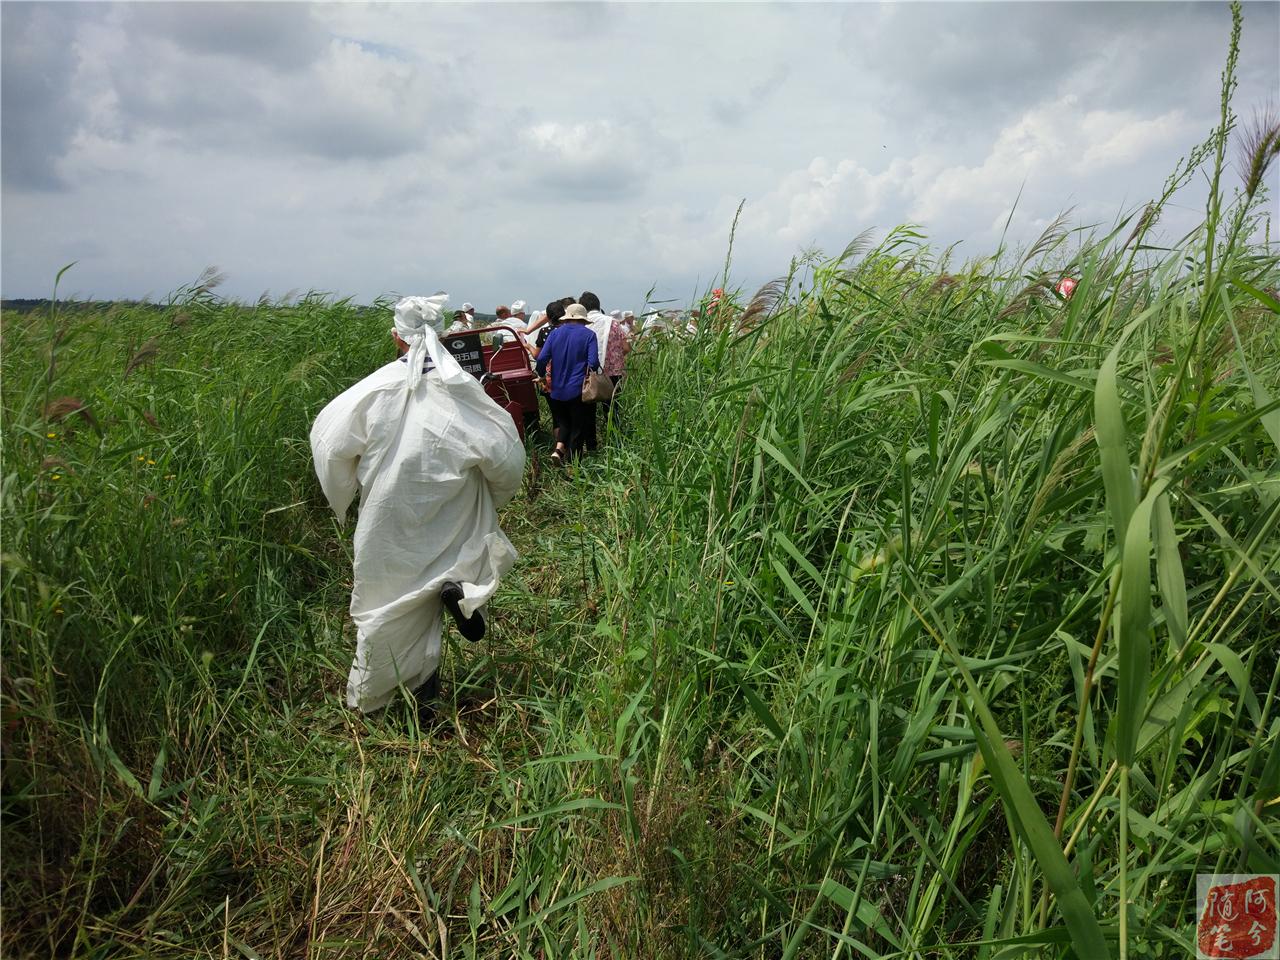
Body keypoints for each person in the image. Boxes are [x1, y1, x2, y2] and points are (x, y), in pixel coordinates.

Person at [310, 294, 526, 715]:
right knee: (466, 543)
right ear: (442, 335)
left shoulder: (372, 390)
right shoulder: (462, 390)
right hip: (452, 507)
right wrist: (495, 494)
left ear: (396, 337)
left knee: (386, 600)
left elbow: (329, 443)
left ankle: (388, 700)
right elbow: (506, 457)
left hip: (388, 514)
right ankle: (461, 586)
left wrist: (345, 491)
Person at [535, 302, 598, 464]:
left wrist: (541, 375)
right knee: (577, 429)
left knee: (564, 424)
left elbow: (541, 358)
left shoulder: (554, 334)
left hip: (556, 389)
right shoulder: (589, 335)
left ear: (567, 318)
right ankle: (573, 466)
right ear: (583, 319)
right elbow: (594, 363)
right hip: (577, 390)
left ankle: (559, 451)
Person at [580, 290, 631, 444]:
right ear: (598, 305)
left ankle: (591, 445)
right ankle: (615, 442)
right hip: (614, 374)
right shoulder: (613, 323)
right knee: (612, 410)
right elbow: (626, 348)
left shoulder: (583, 324)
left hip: (589, 375)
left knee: (589, 412)